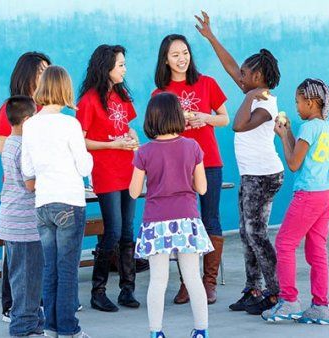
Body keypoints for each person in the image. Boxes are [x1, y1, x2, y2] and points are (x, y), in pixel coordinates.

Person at [195, 11, 285, 314]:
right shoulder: (253, 93)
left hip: (265, 176)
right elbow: (232, 66)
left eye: (245, 77)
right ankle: (253, 287)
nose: (239, 78)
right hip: (252, 176)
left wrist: (251, 95)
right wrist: (211, 38)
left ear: (257, 79)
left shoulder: (266, 104)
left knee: (256, 233)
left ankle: (275, 292)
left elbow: (238, 124)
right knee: (248, 233)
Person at [152, 34, 229, 305]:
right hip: (176, 166)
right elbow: (156, 131)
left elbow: (224, 118)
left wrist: (205, 118)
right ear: (165, 59)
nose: (181, 58)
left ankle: (208, 284)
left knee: (210, 219)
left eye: (184, 52)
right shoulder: (160, 94)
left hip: (209, 161)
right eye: (175, 55)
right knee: (185, 224)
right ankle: (188, 282)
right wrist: (179, 122)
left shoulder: (207, 82)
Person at [130, 92, 213, 338]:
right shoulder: (193, 147)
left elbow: (134, 192)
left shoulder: (143, 152)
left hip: (156, 222)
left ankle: (156, 332)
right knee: (192, 277)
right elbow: (202, 188)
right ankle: (201, 331)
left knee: (158, 280)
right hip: (187, 219)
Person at [22, 65, 93, 338]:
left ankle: (50, 328)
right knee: (67, 269)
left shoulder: (30, 125)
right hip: (69, 201)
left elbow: (27, 169)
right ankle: (68, 329)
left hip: (43, 203)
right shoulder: (70, 124)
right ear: (65, 90)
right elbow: (84, 166)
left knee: (50, 268)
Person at [262, 79, 329, 325]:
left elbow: (294, 164)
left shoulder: (308, 128)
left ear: (310, 102)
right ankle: (320, 306)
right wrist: (289, 133)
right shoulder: (324, 126)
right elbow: (303, 156)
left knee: (284, 243)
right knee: (317, 249)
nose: (296, 106)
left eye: (297, 101)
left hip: (309, 194)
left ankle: (289, 301)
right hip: (327, 192)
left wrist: (283, 137)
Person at [76, 44, 140, 312]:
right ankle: (98, 291)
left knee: (127, 231)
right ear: (107, 68)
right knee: (112, 231)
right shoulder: (89, 99)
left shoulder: (123, 95)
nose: (124, 69)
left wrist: (133, 138)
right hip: (105, 172)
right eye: (120, 65)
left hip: (128, 169)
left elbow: (129, 127)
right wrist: (112, 145)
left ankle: (128, 289)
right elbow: (81, 140)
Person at [0, 51, 50, 322]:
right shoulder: (13, 107)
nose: (44, 76)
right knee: (16, 252)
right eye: (40, 71)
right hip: (20, 189)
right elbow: (3, 146)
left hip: (43, 191)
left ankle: (35, 302)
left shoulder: (46, 109)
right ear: (27, 74)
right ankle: (11, 305)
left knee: (35, 250)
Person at [0, 96, 44, 337]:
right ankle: (22, 327)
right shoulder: (23, 148)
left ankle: (34, 319)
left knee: (29, 275)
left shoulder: (10, 144)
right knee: (25, 279)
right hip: (24, 224)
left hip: (13, 221)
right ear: (27, 121)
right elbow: (30, 184)